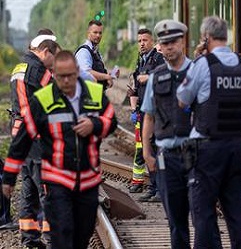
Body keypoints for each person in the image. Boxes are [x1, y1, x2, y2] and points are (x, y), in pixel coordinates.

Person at [2, 51, 117, 249]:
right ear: (54, 74)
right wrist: (9, 177)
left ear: (77, 72)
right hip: (58, 182)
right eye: (61, 76)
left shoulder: (94, 94)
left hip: (88, 182)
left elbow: (111, 121)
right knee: (62, 234)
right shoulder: (43, 100)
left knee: (82, 235)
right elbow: (22, 140)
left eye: (70, 75)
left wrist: (95, 125)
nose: (66, 81)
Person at [177, 16, 241, 249]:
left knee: (203, 216)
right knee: (237, 219)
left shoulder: (203, 65)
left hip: (205, 151)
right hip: (234, 149)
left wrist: (197, 58)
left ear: (206, 37)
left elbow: (183, 100)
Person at [141, 20, 192, 249]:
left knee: (202, 217)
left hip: (195, 155)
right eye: (164, 43)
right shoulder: (156, 76)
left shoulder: (197, 73)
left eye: (173, 42)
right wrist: (146, 152)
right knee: (175, 219)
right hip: (166, 157)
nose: (169, 47)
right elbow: (149, 117)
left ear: (182, 42)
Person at [8, 33, 60, 248]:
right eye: (53, 58)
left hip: (19, 136)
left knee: (28, 189)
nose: (53, 64)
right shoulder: (39, 71)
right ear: (45, 51)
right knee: (48, 190)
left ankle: (30, 239)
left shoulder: (18, 68)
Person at [127, 28, 165, 201]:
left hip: (156, 112)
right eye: (139, 40)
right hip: (143, 111)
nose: (142, 43)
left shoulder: (158, 59)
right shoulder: (140, 61)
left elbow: (163, 77)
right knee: (146, 149)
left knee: (157, 149)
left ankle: (160, 188)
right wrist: (135, 109)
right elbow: (135, 87)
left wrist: (148, 77)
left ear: (152, 42)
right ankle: (153, 186)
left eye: (145, 40)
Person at [75, 19, 118, 89]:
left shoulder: (95, 51)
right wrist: (106, 76)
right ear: (88, 33)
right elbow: (86, 72)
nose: (98, 35)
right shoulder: (84, 52)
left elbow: (97, 71)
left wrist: (110, 75)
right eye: (95, 32)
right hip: (86, 95)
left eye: (100, 33)